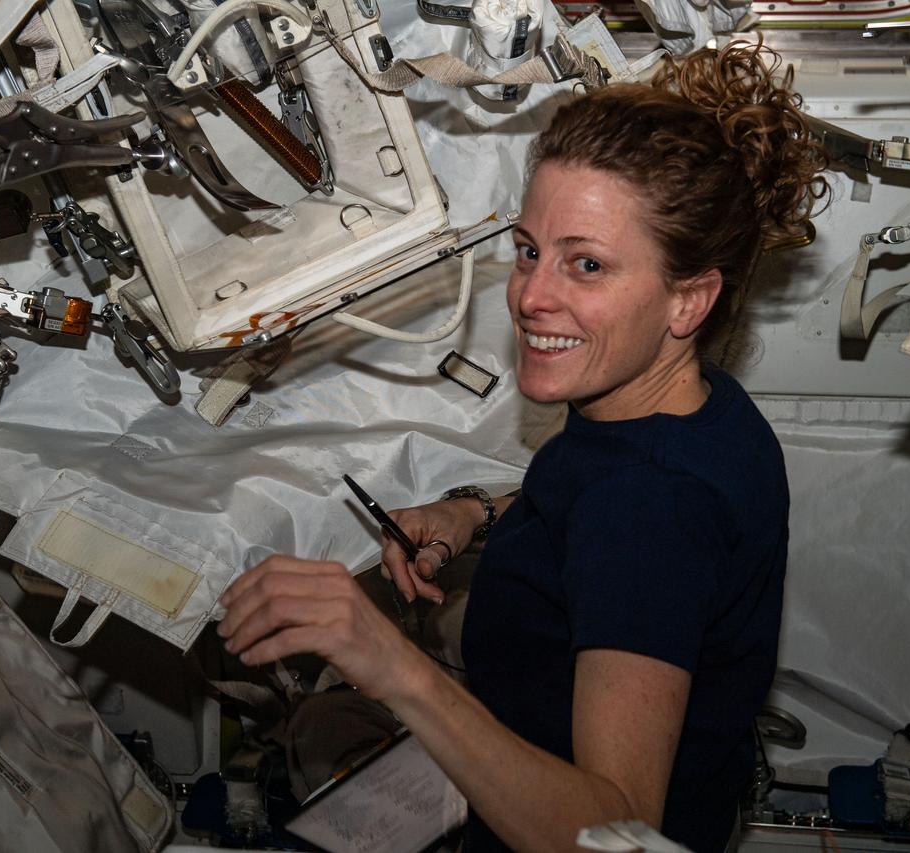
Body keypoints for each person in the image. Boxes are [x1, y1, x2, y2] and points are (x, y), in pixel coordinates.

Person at [218, 39, 827, 852]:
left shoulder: (650, 509)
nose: (533, 296)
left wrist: (396, 667)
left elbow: (617, 831)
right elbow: (591, 508)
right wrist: (476, 512)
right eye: (530, 250)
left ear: (689, 300)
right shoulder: (689, 410)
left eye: (587, 265)